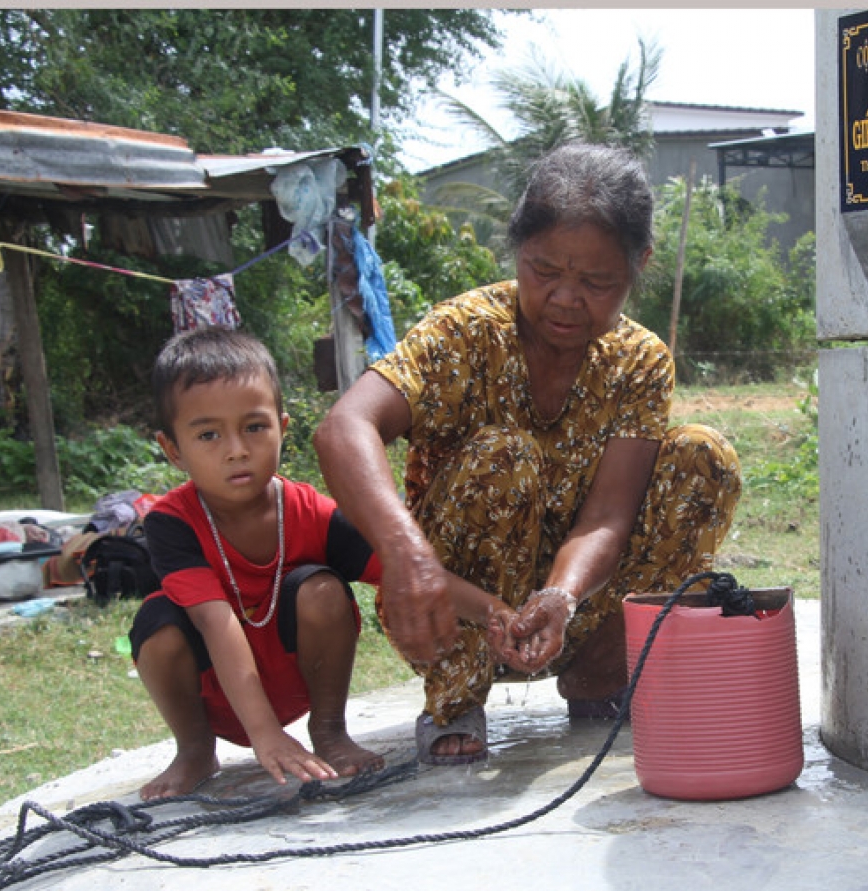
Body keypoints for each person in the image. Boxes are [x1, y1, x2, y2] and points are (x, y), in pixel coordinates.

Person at [314, 143, 742, 766]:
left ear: (638, 263)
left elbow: (605, 520)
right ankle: (456, 696)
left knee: (705, 457)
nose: (567, 299)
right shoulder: (465, 332)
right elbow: (343, 427)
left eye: (596, 282)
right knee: (502, 455)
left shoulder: (641, 361)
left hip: (571, 615)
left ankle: (601, 672)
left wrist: (562, 597)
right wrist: (407, 558)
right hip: (450, 608)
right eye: (543, 272)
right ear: (517, 251)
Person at [129, 327, 384, 800]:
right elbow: (213, 619)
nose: (236, 449)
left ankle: (329, 731)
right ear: (173, 450)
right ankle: (194, 750)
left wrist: (494, 611)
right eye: (208, 434)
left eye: (254, 427)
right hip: (217, 691)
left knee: (323, 588)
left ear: (282, 428)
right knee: (156, 623)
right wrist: (264, 732)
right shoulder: (171, 523)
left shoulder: (312, 512)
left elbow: (405, 575)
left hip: (295, 675)